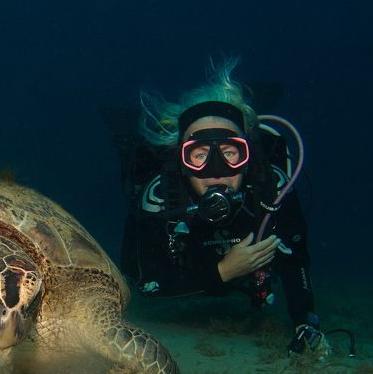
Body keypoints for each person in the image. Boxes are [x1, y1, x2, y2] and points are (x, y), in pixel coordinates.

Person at [118, 59, 326, 357]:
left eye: (230, 153)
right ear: (182, 161)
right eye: (199, 155)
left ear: (248, 156)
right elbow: (145, 282)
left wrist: (305, 321)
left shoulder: (272, 189)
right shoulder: (160, 198)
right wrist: (222, 272)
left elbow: (296, 261)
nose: (217, 171)